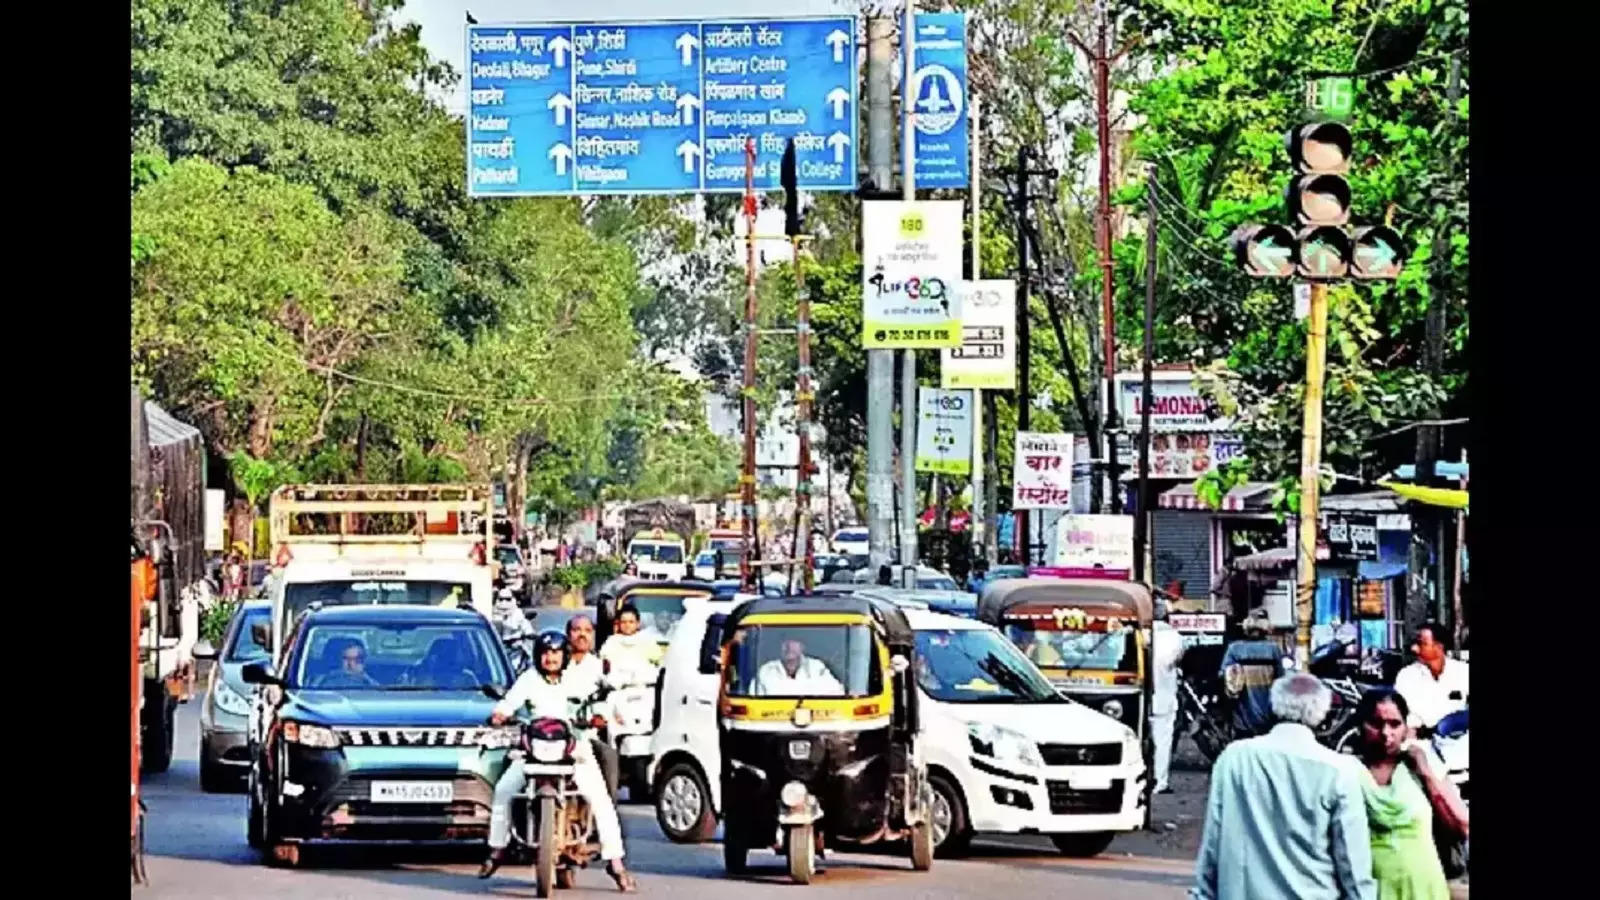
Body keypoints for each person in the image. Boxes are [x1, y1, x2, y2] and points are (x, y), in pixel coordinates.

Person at [1191, 674, 1375, 900]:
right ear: (1322, 712)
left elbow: (1212, 847)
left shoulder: (1233, 759)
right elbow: (1353, 867)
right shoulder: (1338, 772)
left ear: (1274, 704)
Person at [480, 631, 636, 891]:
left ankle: (616, 863)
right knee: (504, 789)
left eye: (555, 653)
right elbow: (509, 703)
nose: (550, 658)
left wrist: (598, 716)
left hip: (573, 747)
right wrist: (499, 714)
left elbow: (596, 700)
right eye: (545, 653)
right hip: (534, 748)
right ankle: (497, 850)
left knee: (600, 799)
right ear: (538, 655)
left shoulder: (578, 678)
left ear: (564, 655)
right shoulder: (528, 679)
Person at [1351, 688, 1468, 900]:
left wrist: (1426, 773)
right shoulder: (1347, 772)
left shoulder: (1420, 765)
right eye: (1376, 724)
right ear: (1360, 726)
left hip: (1423, 887)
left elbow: (1462, 825)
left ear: (1406, 728)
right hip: (1370, 890)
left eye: (1395, 724)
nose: (1386, 733)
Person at [564, 614, 620, 800]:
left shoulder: (599, 667)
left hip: (586, 734)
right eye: (577, 630)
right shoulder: (556, 663)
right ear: (568, 634)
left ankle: (606, 811)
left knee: (608, 758)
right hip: (555, 734)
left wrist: (600, 717)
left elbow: (607, 697)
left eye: (587, 631)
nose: (582, 635)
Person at [1392, 622, 1469, 734]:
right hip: (1418, 740)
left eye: (1421, 643)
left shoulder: (1462, 672)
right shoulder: (1406, 676)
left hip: (1456, 742)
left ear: (1439, 647)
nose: (1414, 649)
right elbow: (1398, 714)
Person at [1218, 608, 1284, 738]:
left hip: (1242, 716)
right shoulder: (1273, 649)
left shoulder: (1235, 648)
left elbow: (1222, 674)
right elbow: (1280, 677)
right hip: (1267, 715)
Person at [1149, 613, 1184, 794]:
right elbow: (1177, 658)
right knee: (1163, 742)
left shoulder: (1141, 633)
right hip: (1165, 698)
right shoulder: (1174, 637)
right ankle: (1160, 781)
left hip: (1141, 697)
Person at [598, 604, 665, 687]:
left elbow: (661, 663)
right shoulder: (611, 642)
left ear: (637, 623)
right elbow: (604, 664)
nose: (627, 625)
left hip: (643, 688)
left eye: (631, 622)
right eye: (624, 622)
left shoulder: (646, 640)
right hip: (618, 688)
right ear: (619, 623)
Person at [753, 638, 844, 696]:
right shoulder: (766, 670)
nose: (789, 646)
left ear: (802, 647)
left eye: (794, 642)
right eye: (785, 642)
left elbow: (837, 693)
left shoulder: (816, 667)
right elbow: (752, 700)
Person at [315, 638, 379, 689]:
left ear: (363, 661)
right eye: (347, 658)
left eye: (357, 659)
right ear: (339, 660)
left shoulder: (370, 683)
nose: (351, 663)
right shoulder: (325, 680)